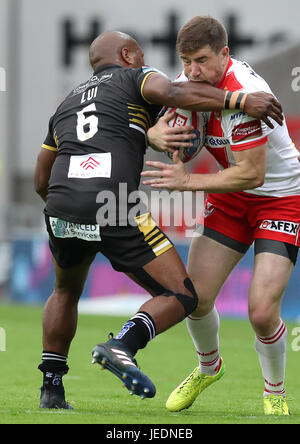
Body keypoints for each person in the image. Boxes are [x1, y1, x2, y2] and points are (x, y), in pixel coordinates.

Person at [34, 29, 284, 410]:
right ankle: (122, 346)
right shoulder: (138, 76)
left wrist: (68, 208)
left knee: (65, 290)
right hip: (114, 203)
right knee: (182, 294)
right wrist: (240, 100)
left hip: (61, 205)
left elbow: (41, 178)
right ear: (128, 55)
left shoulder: (67, 103)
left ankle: (51, 390)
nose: (188, 71)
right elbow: (172, 94)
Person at [142, 16, 300, 416]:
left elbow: (252, 174)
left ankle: (275, 392)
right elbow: (175, 132)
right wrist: (155, 135)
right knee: (194, 297)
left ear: (225, 55)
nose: (192, 71)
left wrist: (187, 182)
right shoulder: (192, 81)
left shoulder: (247, 95)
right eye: (185, 61)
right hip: (231, 200)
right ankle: (208, 367)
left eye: (201, 61)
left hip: (280, 199)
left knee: (262, 313)